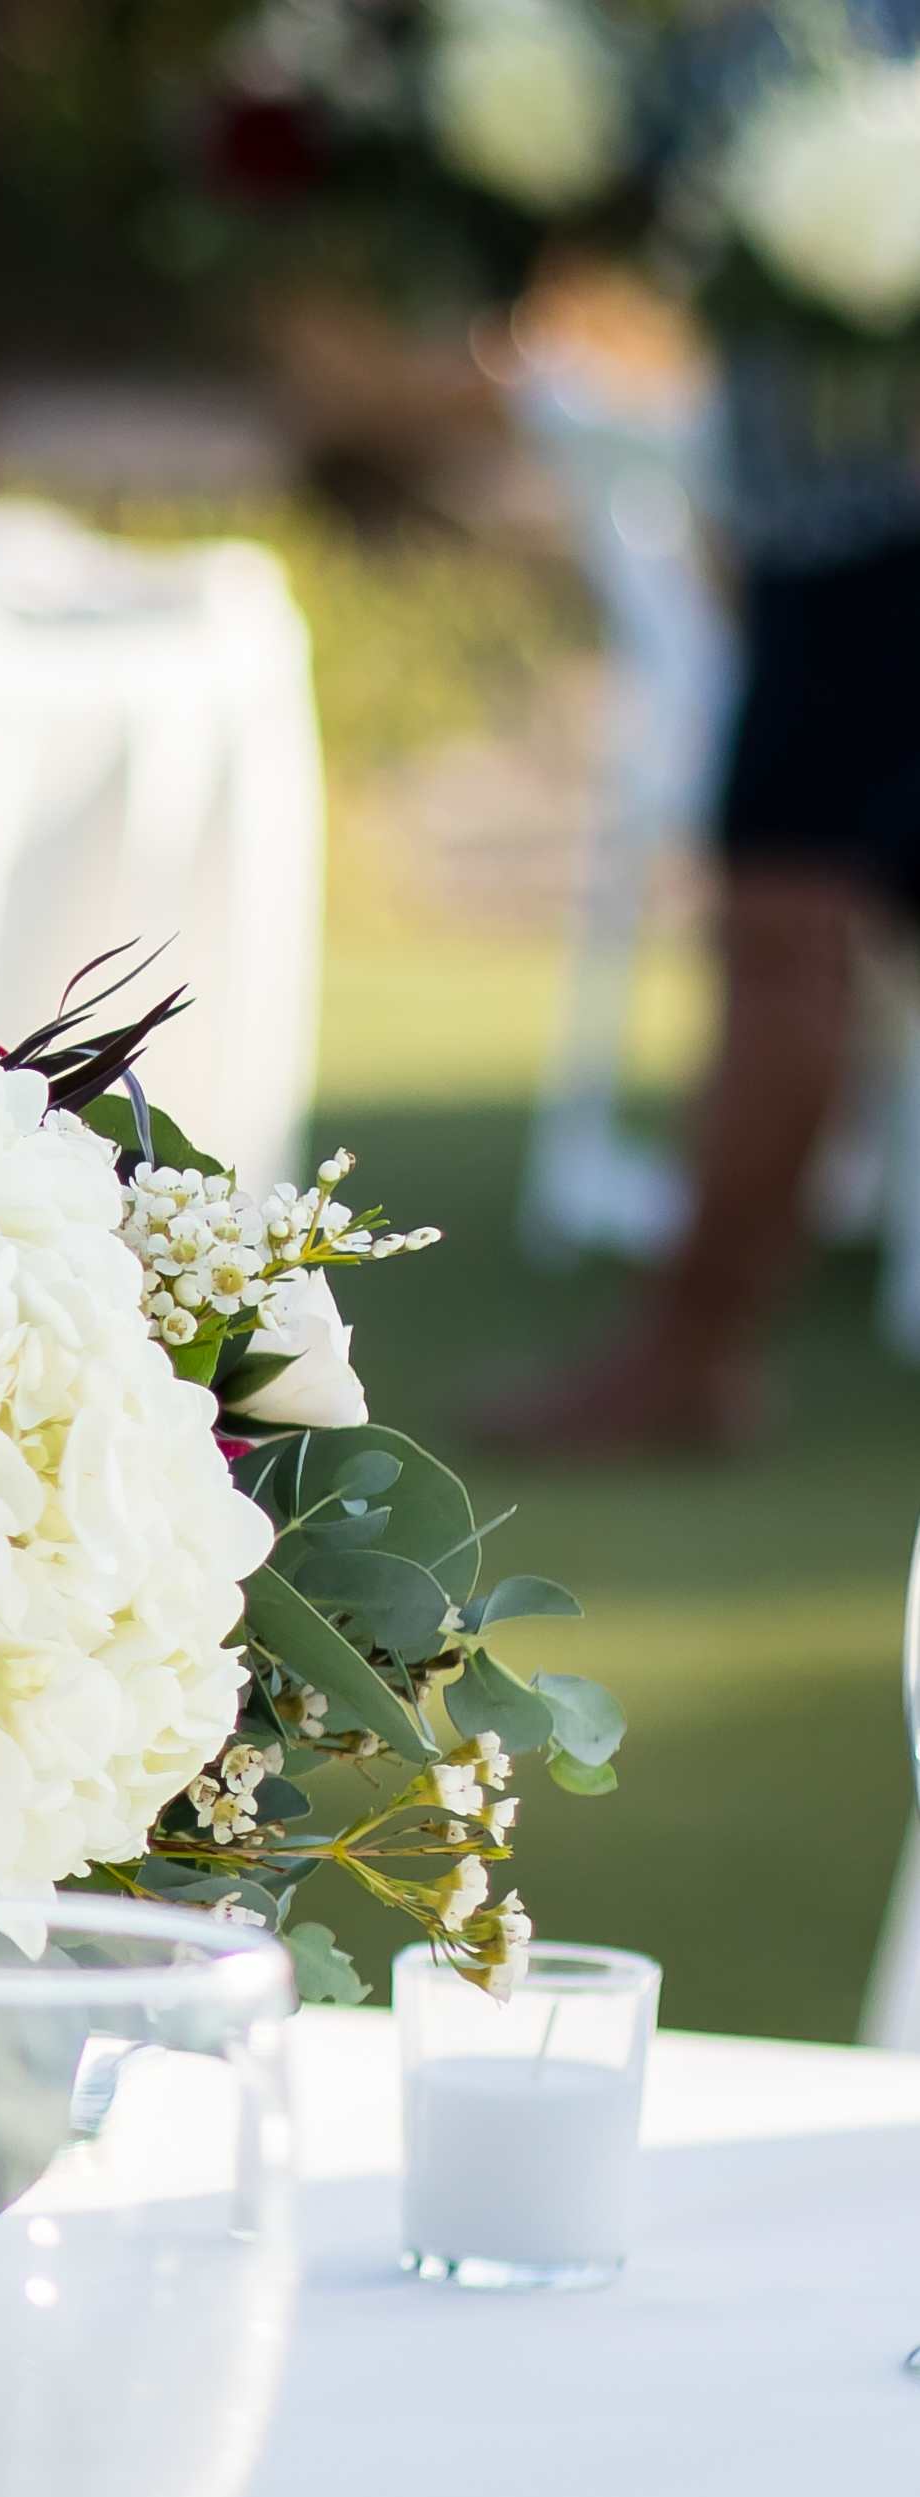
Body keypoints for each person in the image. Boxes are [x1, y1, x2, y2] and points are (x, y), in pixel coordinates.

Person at [483, 9, 920, 1458]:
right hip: (811, 537)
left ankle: (689, 1360)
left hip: (881, 543)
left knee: (783, 927)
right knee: (782, 928)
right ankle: (691, 1356)